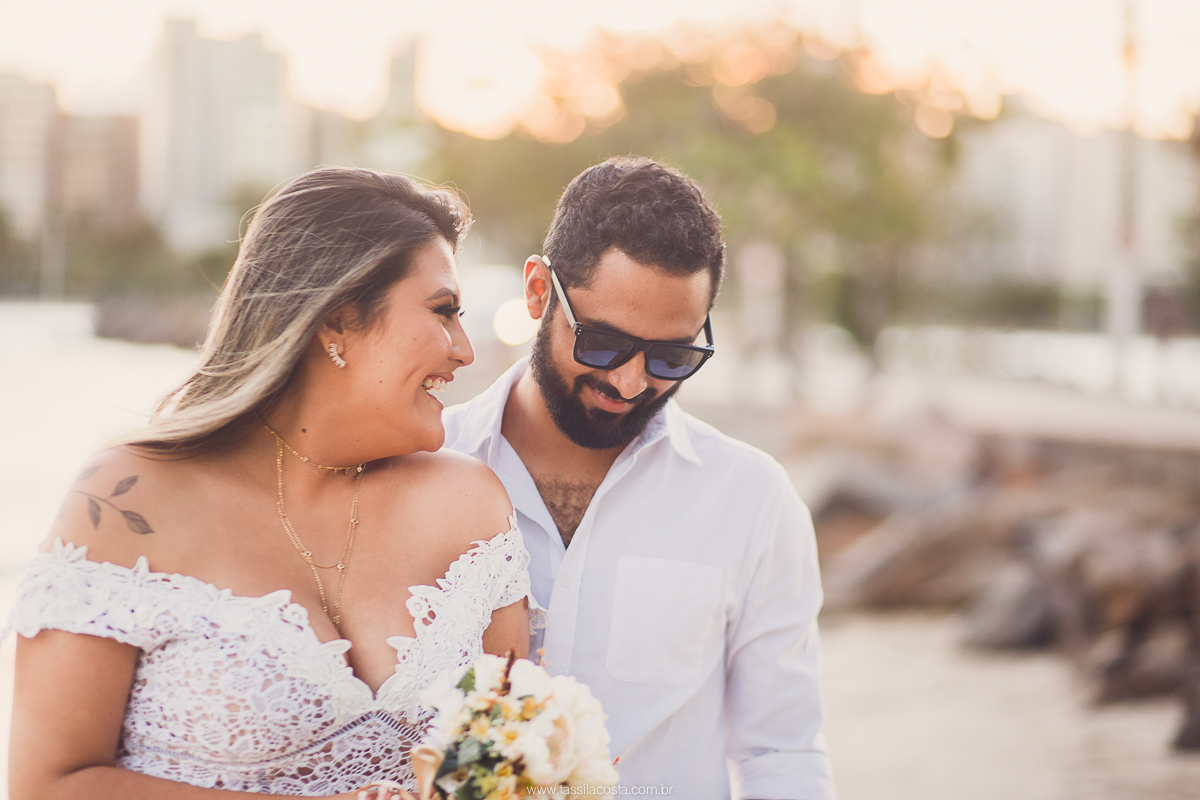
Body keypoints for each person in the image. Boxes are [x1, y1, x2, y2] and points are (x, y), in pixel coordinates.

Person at [5, 168, 532, 799]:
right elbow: (48, 784)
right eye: (443, 312)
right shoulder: (127, 499)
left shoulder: (471, 508)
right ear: (336, 320)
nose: (465, 350)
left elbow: (508, 765)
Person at [443, 157, 834, 799]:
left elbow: (781, 750)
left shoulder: (752, 500)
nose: (630, 382)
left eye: (672, 356)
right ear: (538, 292)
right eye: (602, 342)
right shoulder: (429, 461)